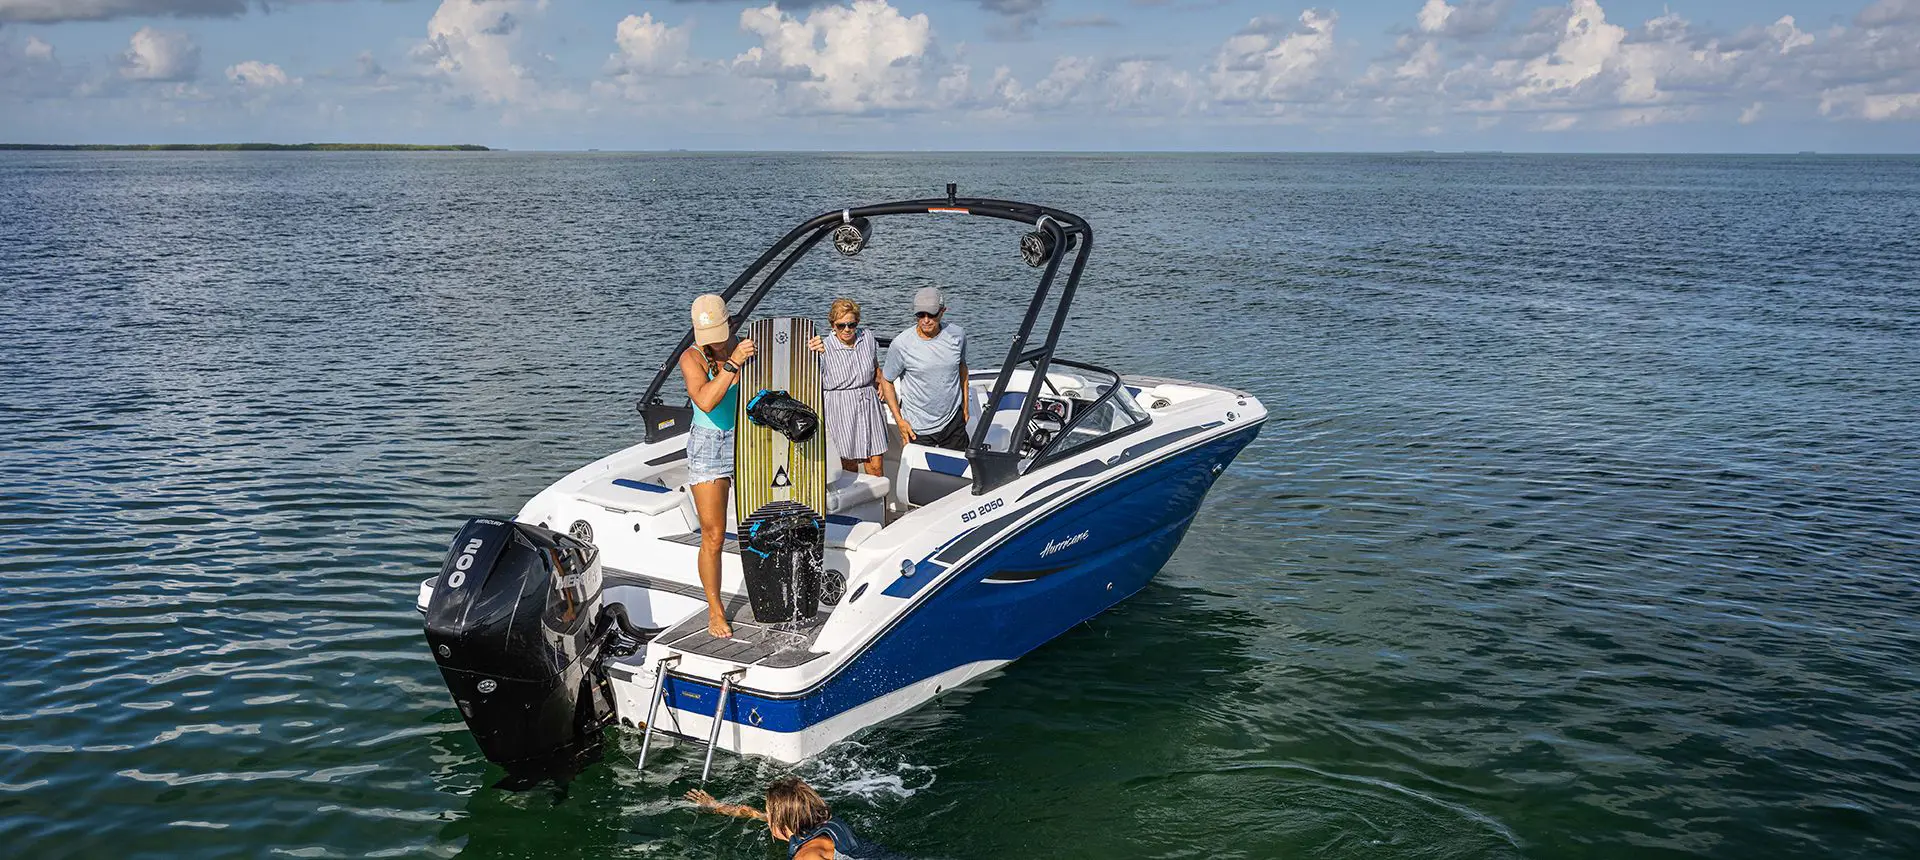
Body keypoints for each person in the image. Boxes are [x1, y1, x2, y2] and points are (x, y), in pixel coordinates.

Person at [678, 294, 755, 639]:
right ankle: (715, 609)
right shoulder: (691, 357)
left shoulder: (745, 345)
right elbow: (707, 400)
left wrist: (815, 349)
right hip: (710, 445)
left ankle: (769, 594)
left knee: (761, 525)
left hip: (748, 439)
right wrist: (733, 365)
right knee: (713, 534)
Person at [686, 778, 871, 859]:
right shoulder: (816, 822)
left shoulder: (807, 856)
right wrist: (716, 807)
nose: (768, 819)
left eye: (770, 813)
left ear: (782, 821)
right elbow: (752, 813)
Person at [881, 287, 969, 451]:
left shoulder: (958, 335)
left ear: (943, 311)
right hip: (917, 429)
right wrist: (900, 420)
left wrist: (965, 406)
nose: (926, 320)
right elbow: (887, 381)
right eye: (920, 315)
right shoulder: (901, 344)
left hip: (953, 423)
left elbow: (962, 367)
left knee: (959, 473)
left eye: (932, 315)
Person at [807, 298, 888, 477]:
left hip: (868, 404)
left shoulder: (867, 338)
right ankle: (854, 501)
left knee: (875, 464)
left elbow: (875, 367)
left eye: (851, 325)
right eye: (840, 325)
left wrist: (880, 380)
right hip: (840, 407)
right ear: (832, 325)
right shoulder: (823, 348)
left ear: (857, 323)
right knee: (848, 465)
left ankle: (878, 503)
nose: (846, 330)